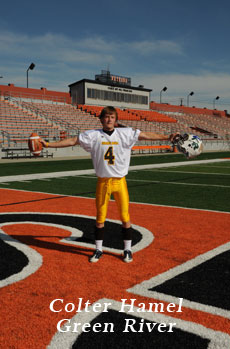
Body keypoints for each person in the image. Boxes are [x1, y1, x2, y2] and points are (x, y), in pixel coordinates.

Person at [40, 106, 177, 263]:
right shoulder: (93, 135)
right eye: (106, 117)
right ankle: (98, 249)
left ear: (116, 120)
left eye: (112, 117)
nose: (109, 119)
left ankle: (127, 249)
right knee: (100, 219)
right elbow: (72, 140)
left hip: (120, 182)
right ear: (101, 119)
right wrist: (49, 145)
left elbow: (144, 135)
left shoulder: (124, 133)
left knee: (125, 218)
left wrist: (166, 137)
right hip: (103, 182)